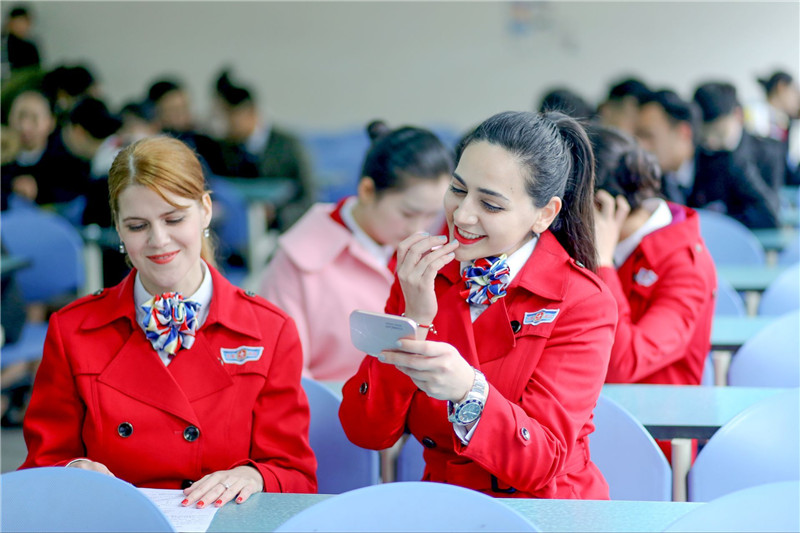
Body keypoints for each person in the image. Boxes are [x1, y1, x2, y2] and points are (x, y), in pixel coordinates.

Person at [21, 136, 317, 504]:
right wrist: (71, 471)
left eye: (174, 218)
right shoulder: (72, 331)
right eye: (137, 226)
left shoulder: (269, 330)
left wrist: (255, 475)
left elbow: (296, 475)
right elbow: (40, 466)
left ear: (206, 210)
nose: (159, 240)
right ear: (117, 227)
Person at [339, 111, 617, 499]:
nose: (462, 215)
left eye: (491, 205)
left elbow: (541, 462)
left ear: (545, 214)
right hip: (445, 504)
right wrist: (414, 319)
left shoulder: (583, 301)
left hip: (545, 511)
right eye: (457, 189)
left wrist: (469, 392)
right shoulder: (423, 272)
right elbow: (367, 430)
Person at [259, 121, 453, 380]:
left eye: (431, 215)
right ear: (367, 191)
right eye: (408, 213)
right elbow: (285, 374)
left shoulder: (435, 253)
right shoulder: (299, 261)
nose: (418, 229)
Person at [591, 125, 716, 386]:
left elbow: (622, 364)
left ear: (603, 206)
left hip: (654, 419)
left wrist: (602, 263)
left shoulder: (686, 266)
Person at [213, 70, 314, 230]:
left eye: (227, 117)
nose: (222, 125)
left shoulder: (288, 146)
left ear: (250, 112)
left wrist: (277, 215)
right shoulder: (224, 150)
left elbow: (310, 198)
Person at [690, 82, 781, 229]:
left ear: (738, 115)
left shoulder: (768, 152)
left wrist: (737, 162)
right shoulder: (699, 151)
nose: (711, 143)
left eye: (718, 133)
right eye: (704, 137)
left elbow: (771, 216)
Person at [635, 89, 700, 205]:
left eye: (648, 136)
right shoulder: (648, 179)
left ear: (684, 133)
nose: (640, 144)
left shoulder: (723, 173)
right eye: (638, 135)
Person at [747, 70, 800, 184]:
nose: (797, 98)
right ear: (781, 87)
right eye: (794, 91)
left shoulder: (784, 121)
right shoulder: (755, 115)